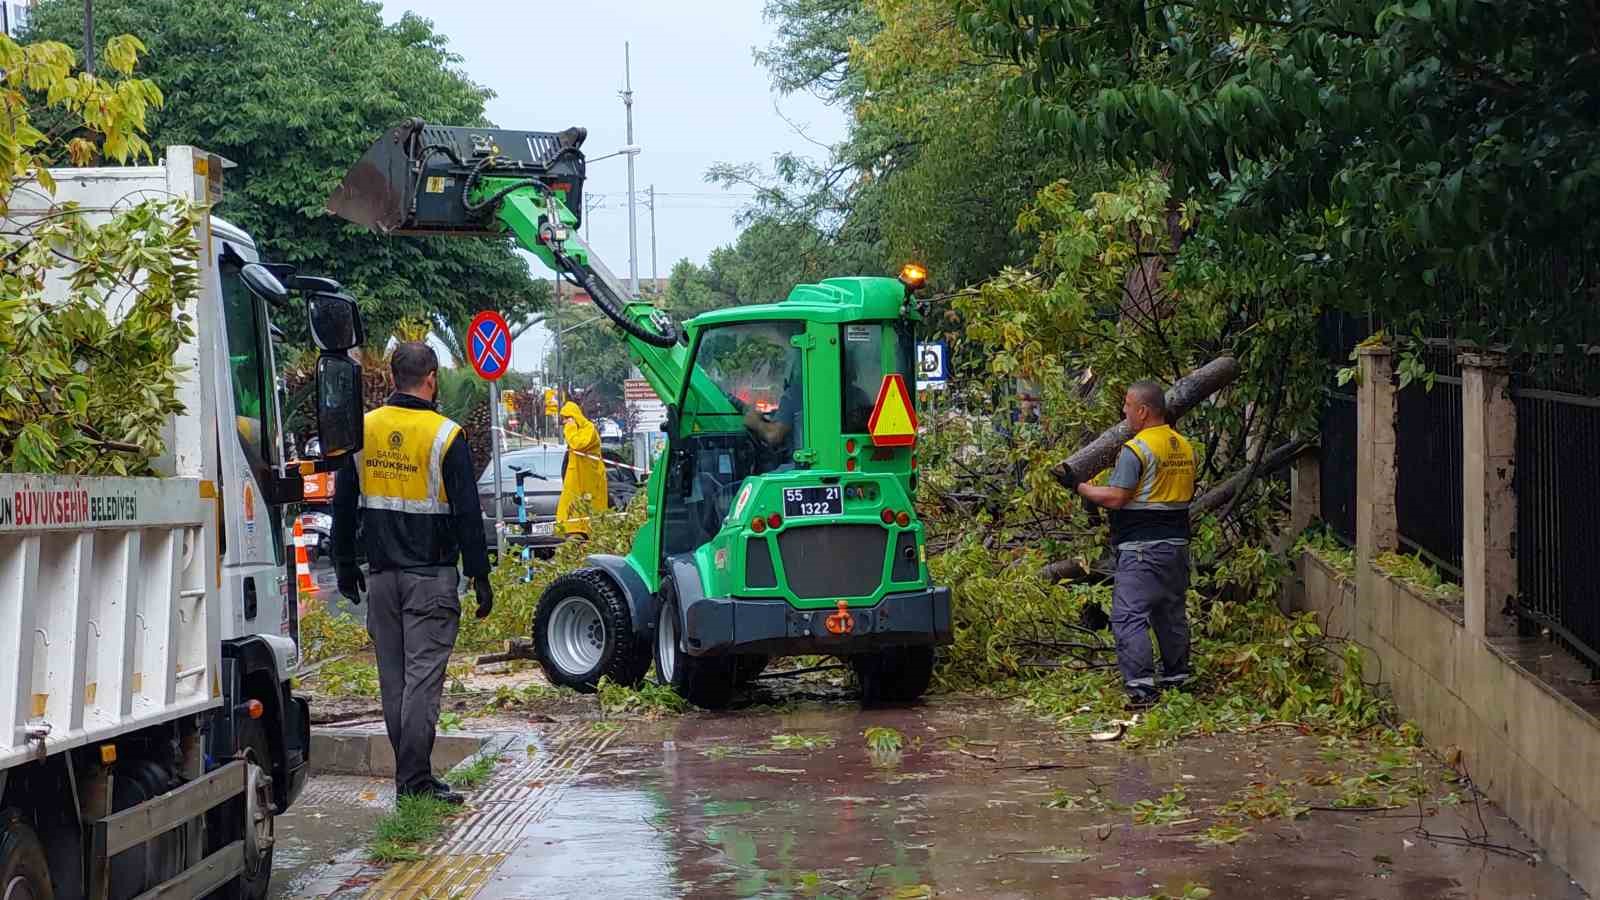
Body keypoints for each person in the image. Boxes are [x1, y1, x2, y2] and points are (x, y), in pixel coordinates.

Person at [331, 342, 493, 804]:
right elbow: (467, 514)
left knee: (395, 679)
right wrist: (480, 576)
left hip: (381, 578)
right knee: (422, 681)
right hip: (431, 579)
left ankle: (411, 778)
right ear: (431, 378)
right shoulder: (445, 434)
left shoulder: (362, 430)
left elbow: (343, 503)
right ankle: (414, 782)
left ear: (393, 377)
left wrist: (344, 563)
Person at [1070, 381, 1196, 708]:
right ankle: (1177, 679)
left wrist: (1080, 487)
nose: (1124, 412)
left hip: (1142, 548)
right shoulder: (1183, 445)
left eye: (1127, 405)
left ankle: (1141, 689)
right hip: (1177, 546)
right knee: (1170, 613)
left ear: (1142, 411)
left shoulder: (1136, 449)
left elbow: (1116, 497)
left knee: (1128, 616)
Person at [556, 400, 609, 537]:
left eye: (567, 418)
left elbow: (578, 444)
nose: (565, 423)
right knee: (571, 517)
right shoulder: (576, 431)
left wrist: (570, 428)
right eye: (564, 420)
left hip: (590, 480)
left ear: (574, 417)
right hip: (577, 483)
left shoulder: (588, 429)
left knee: (591, 517)